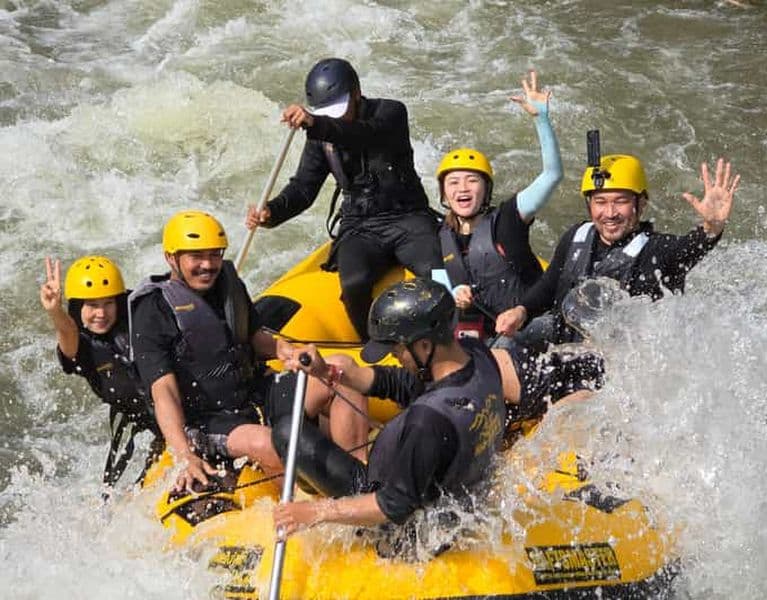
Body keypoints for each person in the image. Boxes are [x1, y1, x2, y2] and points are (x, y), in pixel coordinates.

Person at [128, 210, 363, 492]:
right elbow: (162, 390)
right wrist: (183, 453)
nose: (208, 265)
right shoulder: (152, 310)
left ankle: (359, 475)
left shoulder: (228, 283)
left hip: (255, 393)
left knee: (341, 369)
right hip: (208, 420)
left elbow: (251, 335)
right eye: (197, 257)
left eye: (214, 255)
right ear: (171, 258)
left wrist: (285, 351)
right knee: (267, 443)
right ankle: (301, 502)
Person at [271, 278, 505, 547]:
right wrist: (327, 373)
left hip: (400, 524)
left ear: (425, 346)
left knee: (287, 433)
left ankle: (310, 495)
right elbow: (398, 383)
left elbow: (393, 506)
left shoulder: (428, 420)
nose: (394, 357)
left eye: (397, 350)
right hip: (453, 493)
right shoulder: (478, 355)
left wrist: (317, 513)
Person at [246, 57, 443, 340]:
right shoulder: (319, 139)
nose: (336, 117)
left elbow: (361, 135)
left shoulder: (391, 114)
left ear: (357, 93)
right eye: (328, 113)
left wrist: (316, 123)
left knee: (435, 271)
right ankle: (373, 341)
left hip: (407, 217)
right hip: (361, 225)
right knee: (353, 282)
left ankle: (446, 336)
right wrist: (272, 213)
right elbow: (303, 188)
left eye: (340, 109)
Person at [494, 155, 740, 348]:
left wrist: (712, 226)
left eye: (620, 201)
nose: (610, 213)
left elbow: (690, 248)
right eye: (600, 202)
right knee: (507, 343)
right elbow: (549, 285)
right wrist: (521, 310)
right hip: (567, 342)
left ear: (640, 204)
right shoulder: (576, 236)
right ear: (589, 205)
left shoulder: (658, 250)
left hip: (620, 362)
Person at [436, 68, 562, 340]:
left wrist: (541, 119)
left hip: (531, 328)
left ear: (486, 189)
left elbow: (552, 175)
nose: (463, 188)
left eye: (472, 181)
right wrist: (453, 291)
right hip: (481, 335)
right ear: (444, 194)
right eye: (454, 182)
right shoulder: (439, 235)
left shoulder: (509, 219)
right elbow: (435, 277)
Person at [39, 255, 161, 487]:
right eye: (92, 305)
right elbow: (67, 334)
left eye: (108, 303)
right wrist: (55, 311)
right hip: (143, 421)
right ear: (77, 308)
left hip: (174, 408)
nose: (101, 313)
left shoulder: (140, 318)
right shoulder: (80, 345)